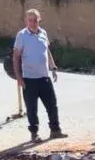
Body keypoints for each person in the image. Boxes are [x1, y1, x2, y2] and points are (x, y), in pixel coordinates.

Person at [13, 9, 67, 143]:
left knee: (52, 105)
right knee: (32, 108)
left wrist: (53, 67)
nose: (33, 23)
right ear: (26, 21)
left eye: (35, 20)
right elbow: (16, 57)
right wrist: (19, 78)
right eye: (30, 20)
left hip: (44, 77)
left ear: (39, 20)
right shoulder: (21, 36)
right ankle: (34, 134)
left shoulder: (43, 33)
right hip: (29, 79)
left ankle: (55, 130)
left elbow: (47, 51)